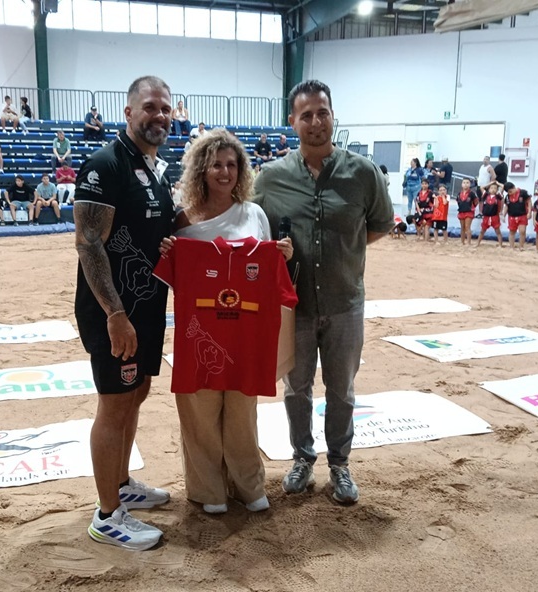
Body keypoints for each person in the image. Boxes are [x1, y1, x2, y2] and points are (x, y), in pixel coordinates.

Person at [253, 79, 394, 505]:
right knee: (296, 389)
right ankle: (301, 458)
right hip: (294, 307)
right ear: (292, 121)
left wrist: (344, 251)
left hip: (345, 302)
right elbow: (254, 228)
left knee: (342, 390)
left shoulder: (363, 173)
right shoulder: (271, 178)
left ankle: (340, 465)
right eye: (307, 114)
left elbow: (378, 225)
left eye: (323, 112)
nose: (316, 121)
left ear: (333, 116)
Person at [155, 128, 294, 515]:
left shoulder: (255, 215)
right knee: (199, 413)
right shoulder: (180, 221)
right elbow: (169, 274)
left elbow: (269, 273)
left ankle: (247, 485)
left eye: (232, 164)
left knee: (242, 415)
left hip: (245, 335)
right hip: (199, 333)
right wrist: (169, 249)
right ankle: (208, 490)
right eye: (216, 164)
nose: (224, 171)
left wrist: (281, 254)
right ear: (202, 169)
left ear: (242, 170)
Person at [73, 76, 175, 551]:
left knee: (137, 391)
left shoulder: (155, 168)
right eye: (150, 107)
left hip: (149, 305)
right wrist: (114, 313)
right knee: (114, 402)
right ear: (129, 112)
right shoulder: (105, 164)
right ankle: (107, 514)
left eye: (166, 109)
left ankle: (121, 484)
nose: (159, 115)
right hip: (114, 310)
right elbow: (89, 242)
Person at [503, 182, 531, 251]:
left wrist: (529, 212)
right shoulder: (507, 197)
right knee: (512, 231)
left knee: (522, 231)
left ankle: (521, 246)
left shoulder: (523, 193)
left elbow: (529, 202)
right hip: (512, 216)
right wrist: (503, 215)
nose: (510, 193)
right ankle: (511, 246)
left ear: (514, 187)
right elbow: (506, 206)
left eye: (511, 191)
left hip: (522, 215)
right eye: (508, 192)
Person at [475, 182, 503, 248]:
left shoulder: (498, 196)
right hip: (486, 217)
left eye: (495, 188)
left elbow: (503, 186)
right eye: (491, 188)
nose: (493, 189)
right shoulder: (485, 195)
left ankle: (500, 244)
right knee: (482, 231)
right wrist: (490, 183)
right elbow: (481, 187)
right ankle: (477, 243)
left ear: (497, 190)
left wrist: (497, 183)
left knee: (498, 231)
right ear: (489, 189)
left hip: (494, 217)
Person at [455, 178, 478, 245]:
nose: (465, 184)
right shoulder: (459, 193)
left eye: (467, 183)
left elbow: (476, 201)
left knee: (467, 227)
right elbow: (458, 201)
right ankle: (462, 242)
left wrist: (472, 208)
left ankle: (468, 242)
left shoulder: (472, 193)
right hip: (461, 211)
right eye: (464, 183)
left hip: (469, 212)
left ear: (470, 184)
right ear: (462, 184)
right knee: (462, 227)